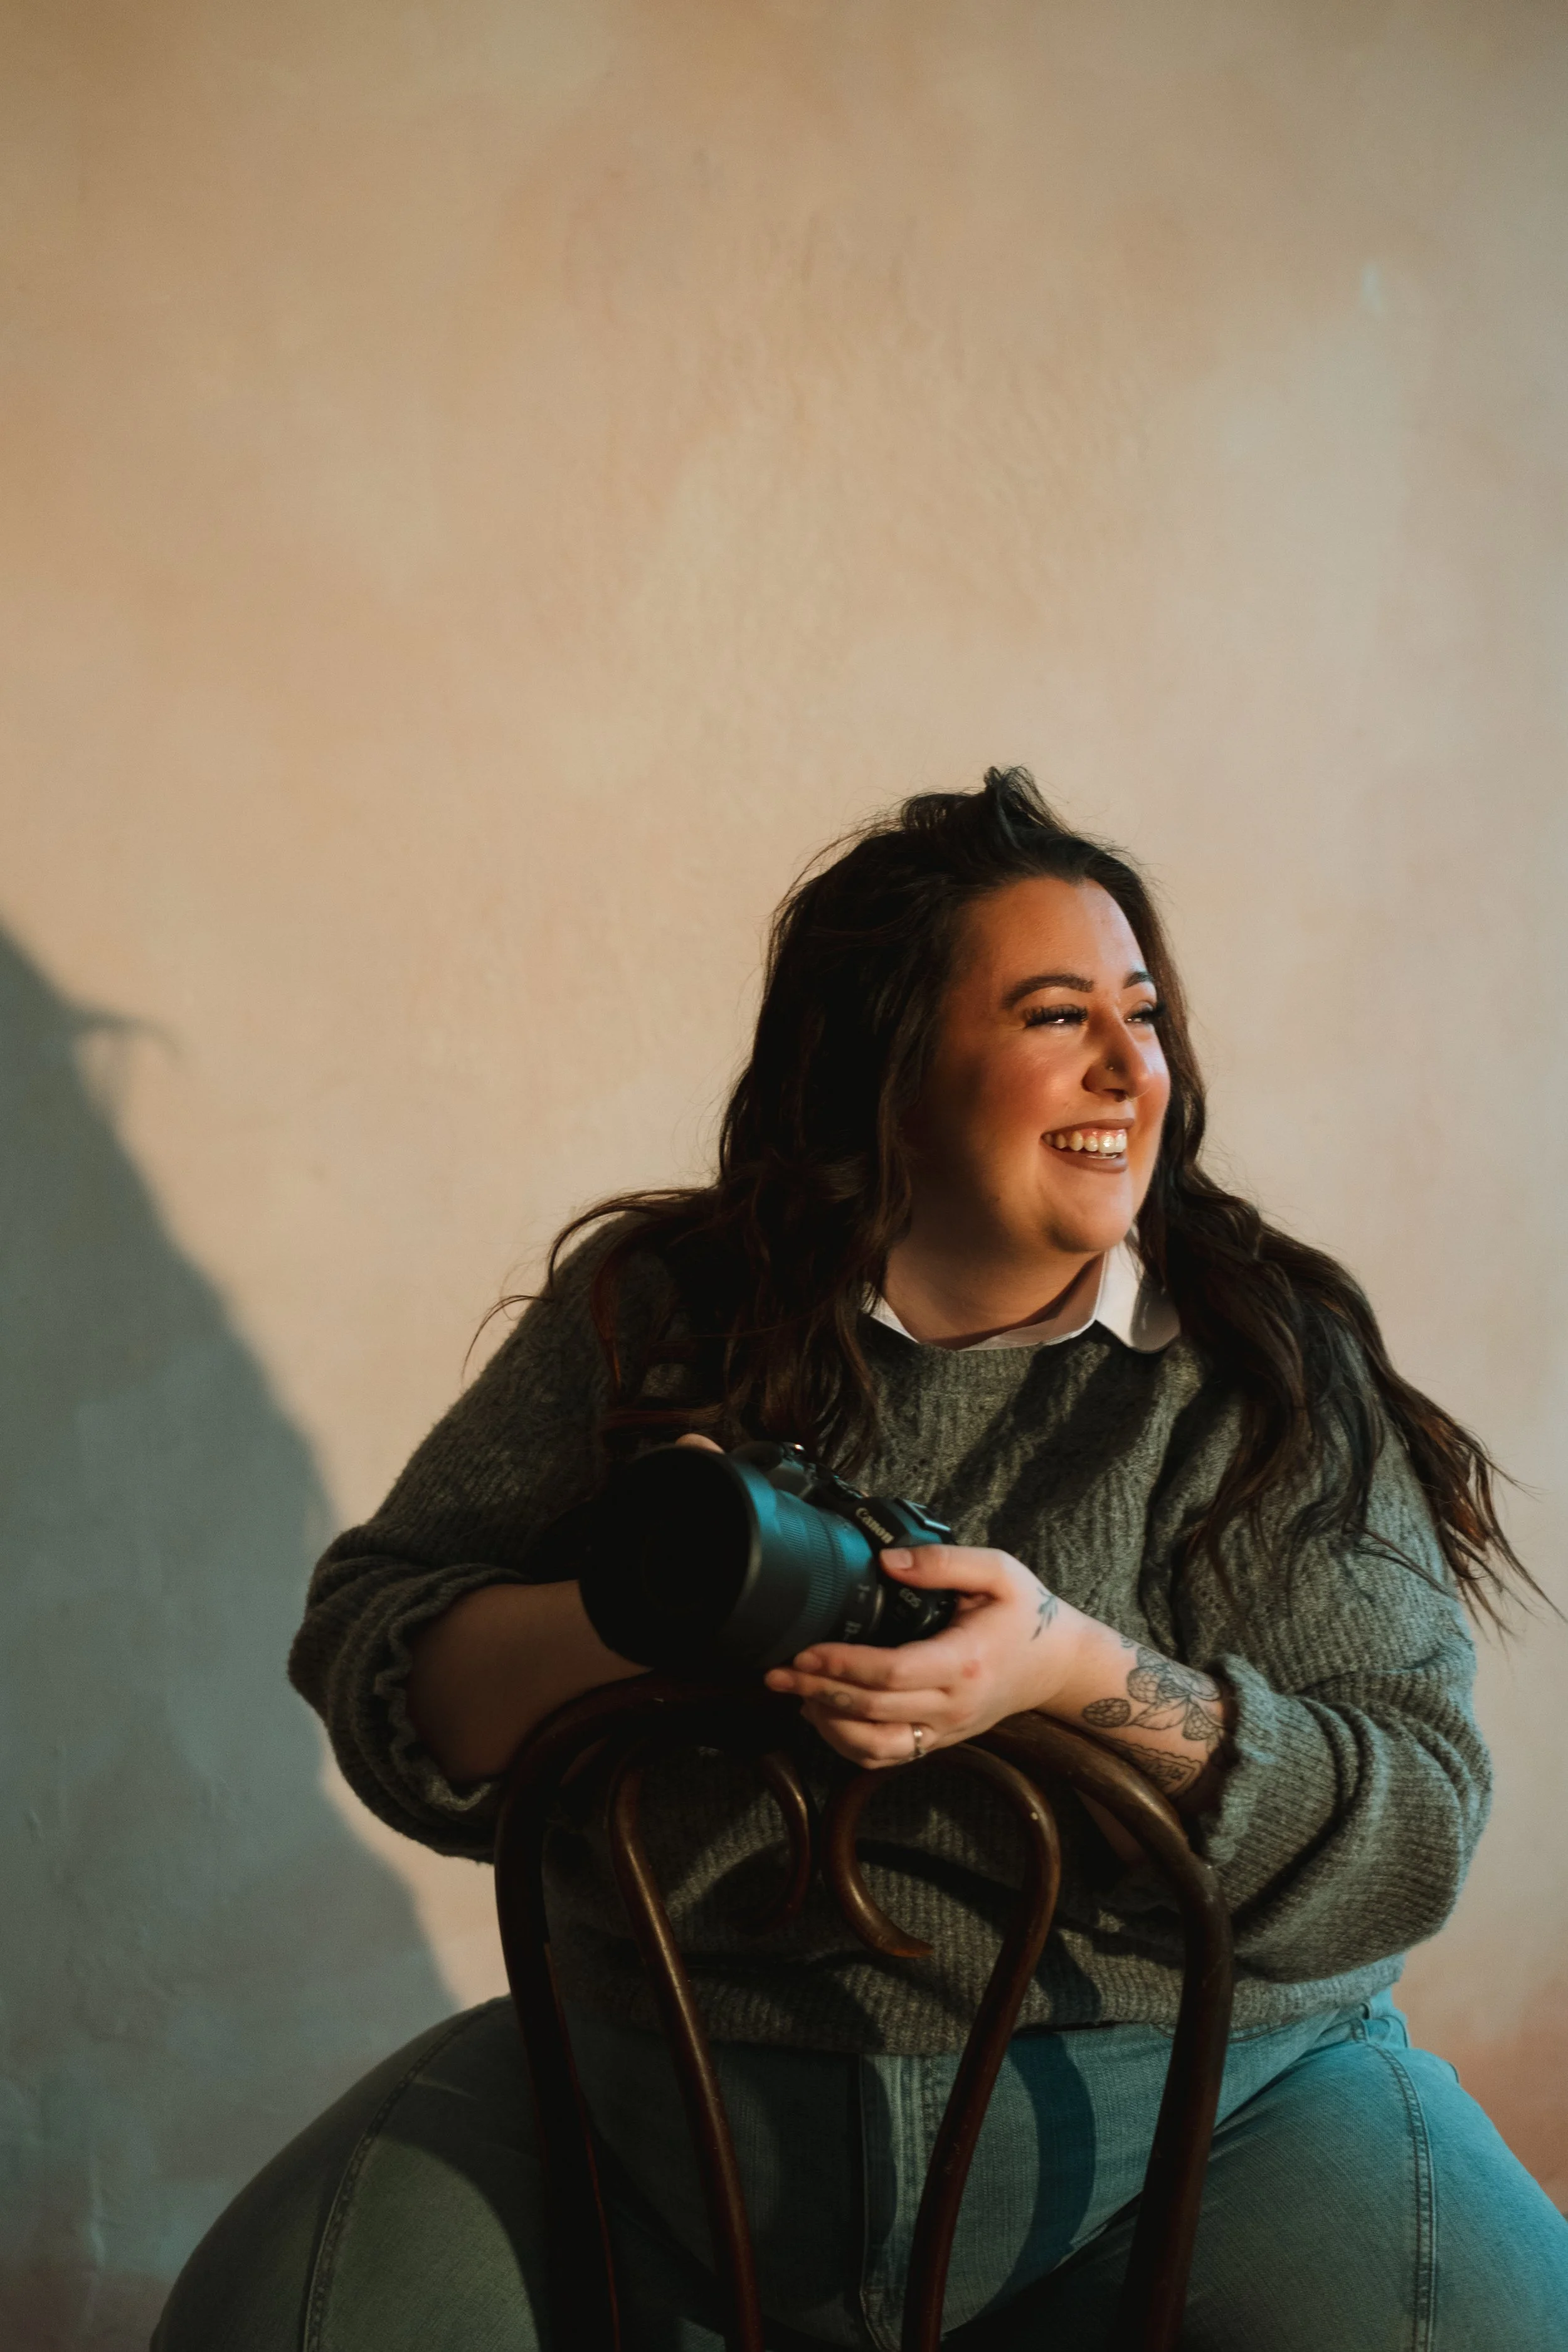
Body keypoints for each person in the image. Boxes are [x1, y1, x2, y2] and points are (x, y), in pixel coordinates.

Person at [154, 771, 1568, 2351]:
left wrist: (1075, 1674)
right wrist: (657, 1610)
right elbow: (380, 1660)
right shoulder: (658, 1311)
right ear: (890, 1071)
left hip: (1188, 2115)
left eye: (1142, 1013)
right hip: (655, 2107)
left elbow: (1415, 1817)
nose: (1127, 1068)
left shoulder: (1254, 1363)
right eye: (1052, 1017)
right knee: (274, 2320)